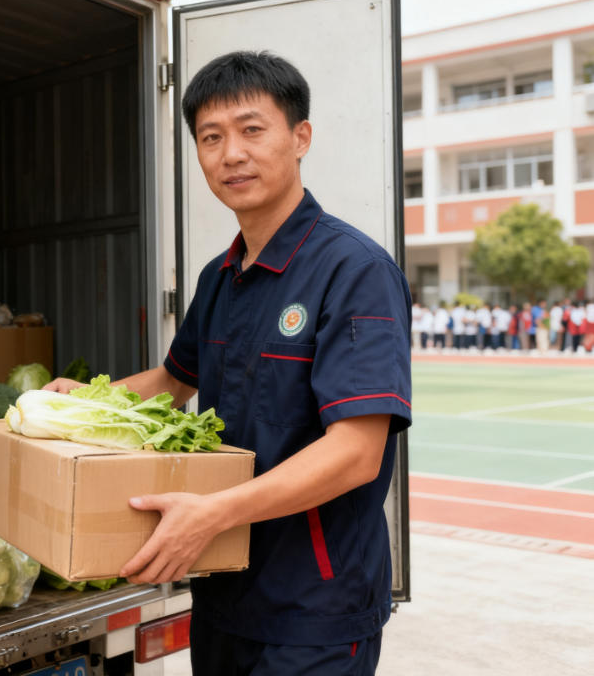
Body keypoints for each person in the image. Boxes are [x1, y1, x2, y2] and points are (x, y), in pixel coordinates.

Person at [45, 51, 411, 675]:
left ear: (301, 138)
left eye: (251, 129)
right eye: (210, 138)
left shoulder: (355, 271)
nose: (231, 154)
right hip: (221, 585)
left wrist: (211, 513)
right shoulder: (220, 277)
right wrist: (85, 404)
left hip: (312, 606)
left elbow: (356, 451)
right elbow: (173, 380)